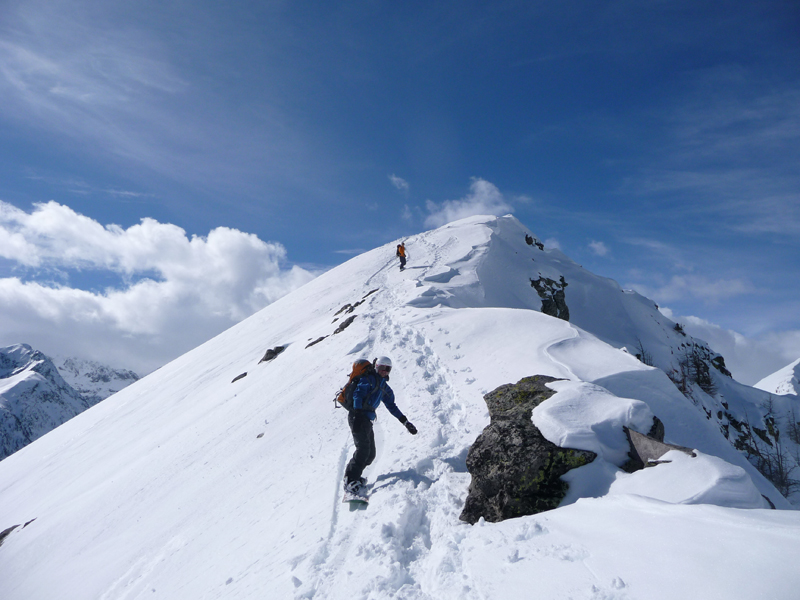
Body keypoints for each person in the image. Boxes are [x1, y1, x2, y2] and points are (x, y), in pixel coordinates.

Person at [343, 356, 417, 497]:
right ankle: (349, 481)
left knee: (370, 455)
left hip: (366, 420)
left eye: (387, 369)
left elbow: (392, 406)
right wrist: (358, 414)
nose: (384, 371)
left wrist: (405, 422)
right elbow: (357, 395)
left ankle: (356, 477)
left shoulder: (384, 387)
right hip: (357, 417)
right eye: (382, 368)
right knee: (363, 450)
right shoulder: (368, 379)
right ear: (376, 367)